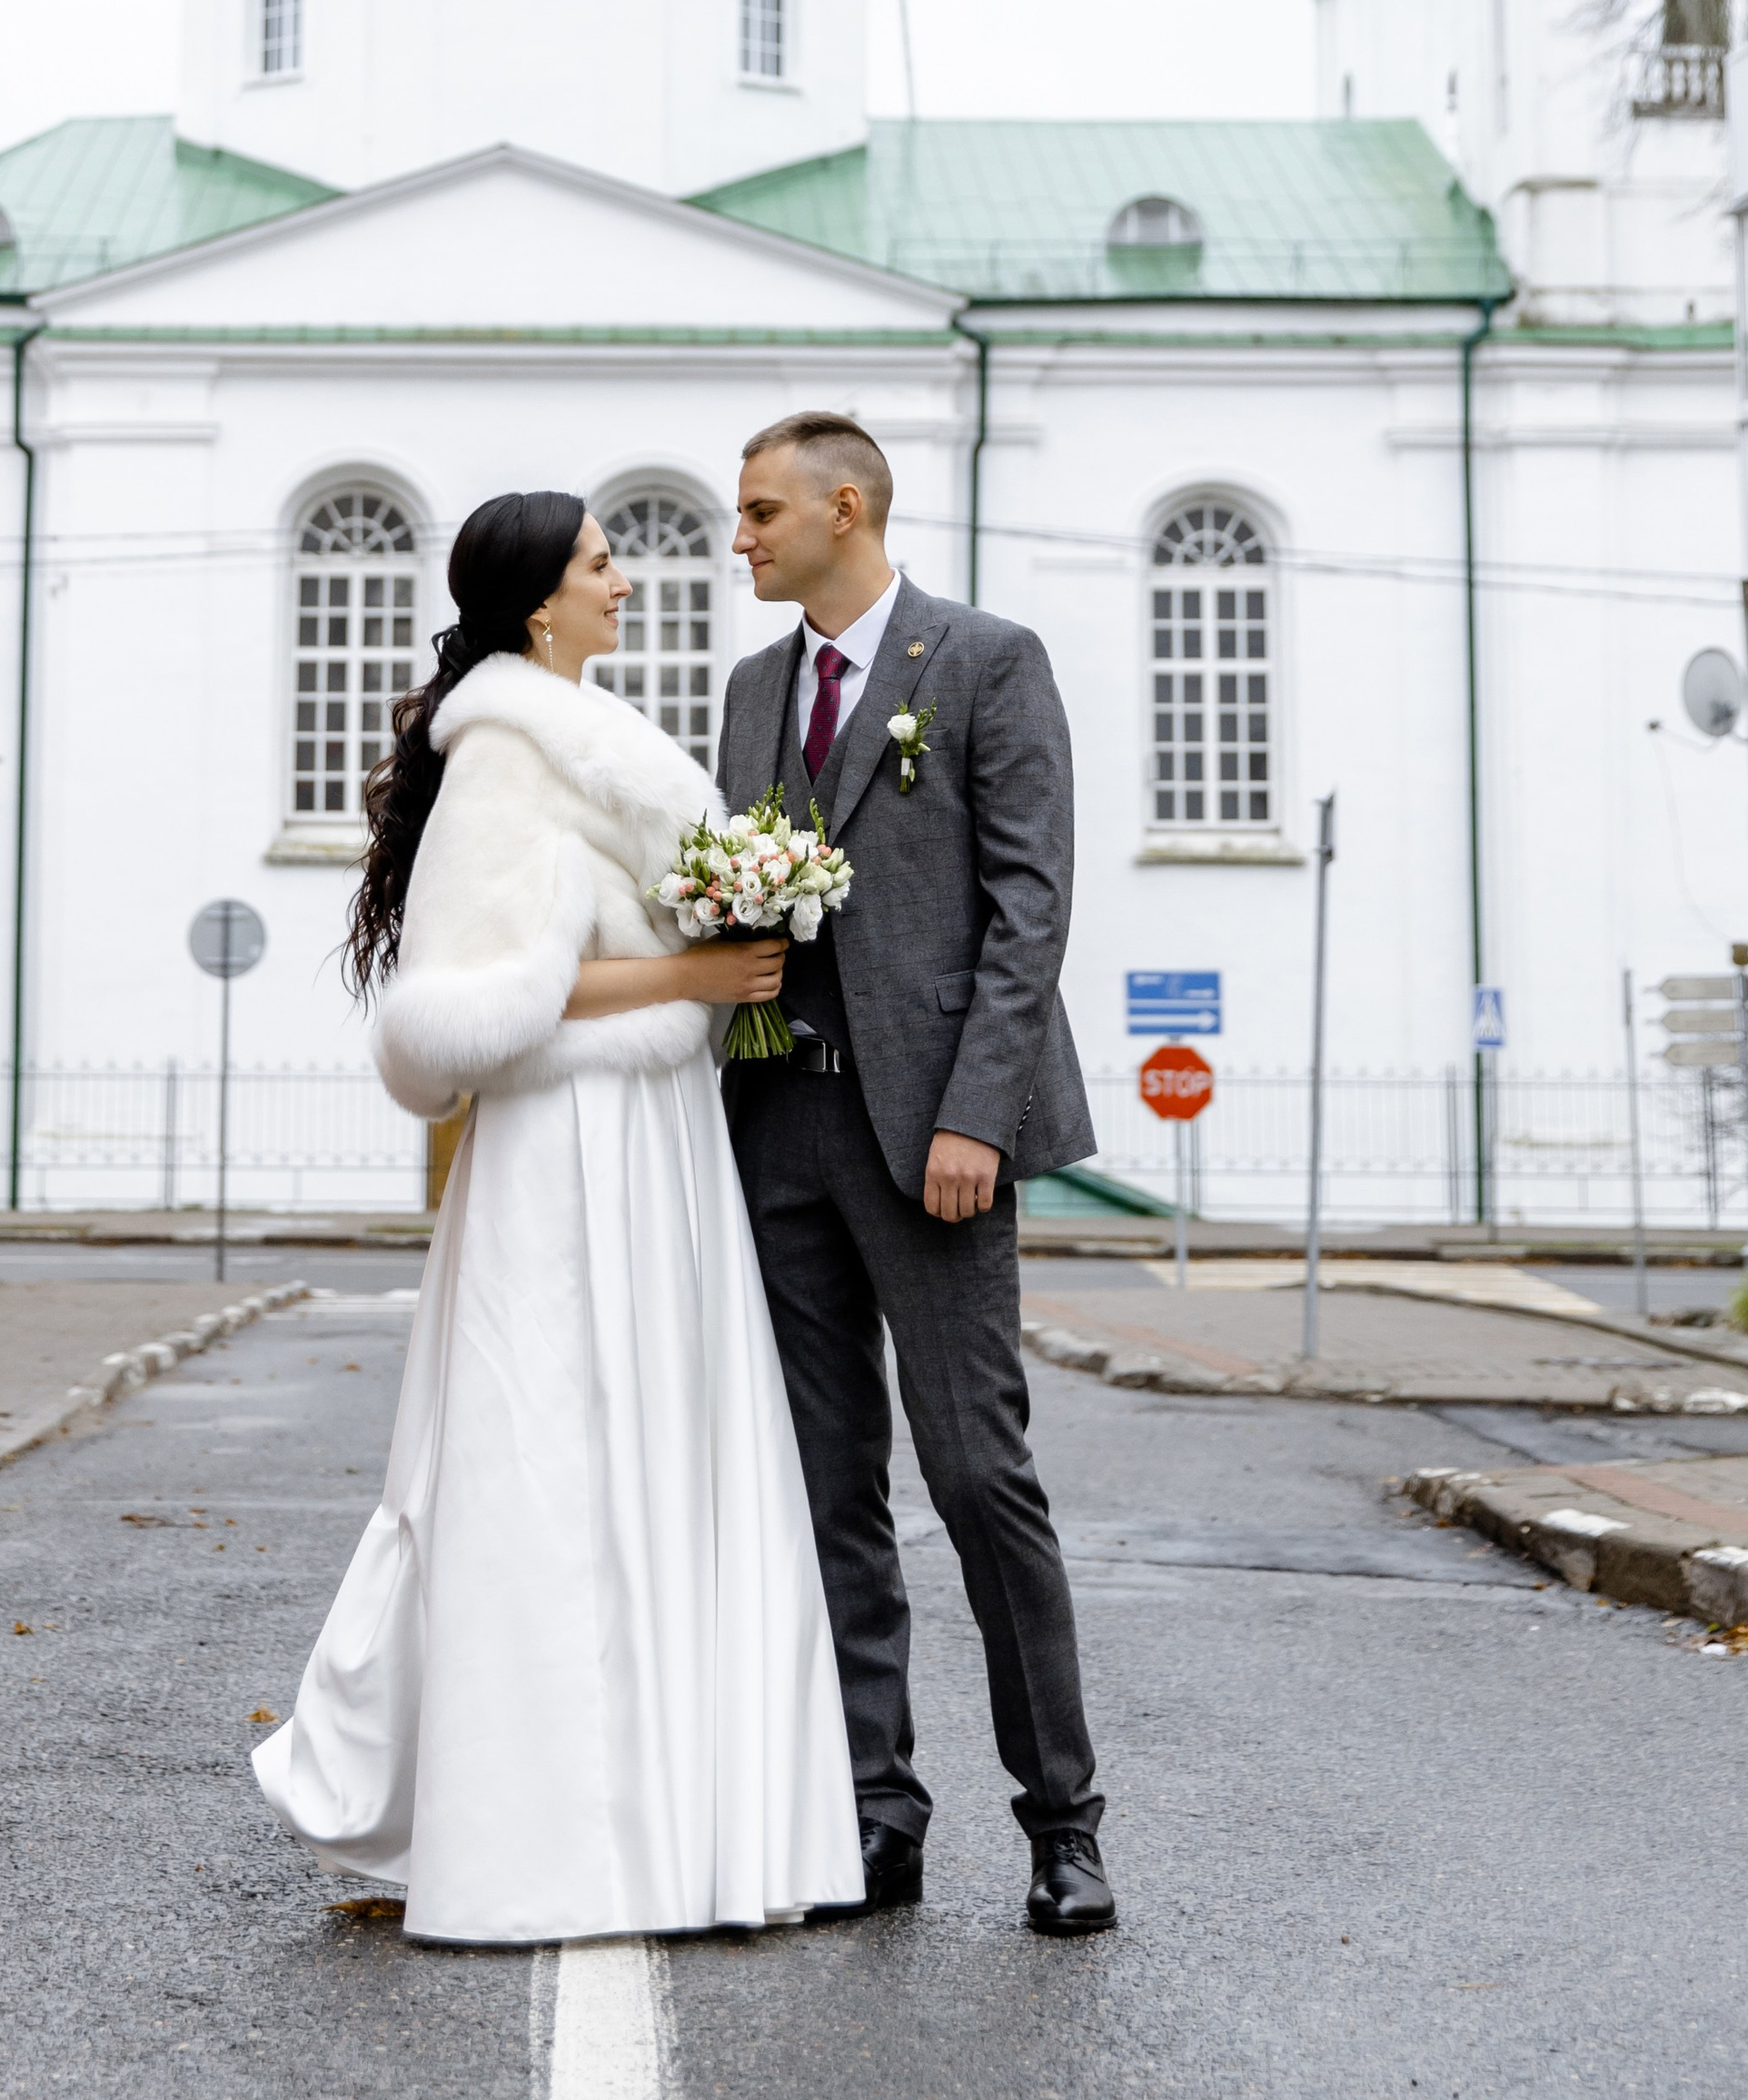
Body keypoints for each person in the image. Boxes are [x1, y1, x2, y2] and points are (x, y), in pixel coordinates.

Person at [253, 489, 863, 1946]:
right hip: (565, 1150)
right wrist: (693, 980)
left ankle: (678, 1843)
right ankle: (546, 1848)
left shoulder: (590, 744)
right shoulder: (511, 758)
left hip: (654, 1141)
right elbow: (472, 999)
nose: (626, 581)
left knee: (663, 1461)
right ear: (540, 604)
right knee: (553, 1463)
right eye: (602, 563)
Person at [719, 411, 1114, 1937]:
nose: (741, 539)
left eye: (761, 513)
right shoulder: (755, 690)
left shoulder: (988, 661)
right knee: (831, 1488)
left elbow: (1029, 909)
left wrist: (977, 1118)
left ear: (846, 507)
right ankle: (875, 1813)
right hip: (780, 1129)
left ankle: (1064, 1825)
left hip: (934, 1141)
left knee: (977, 1478)